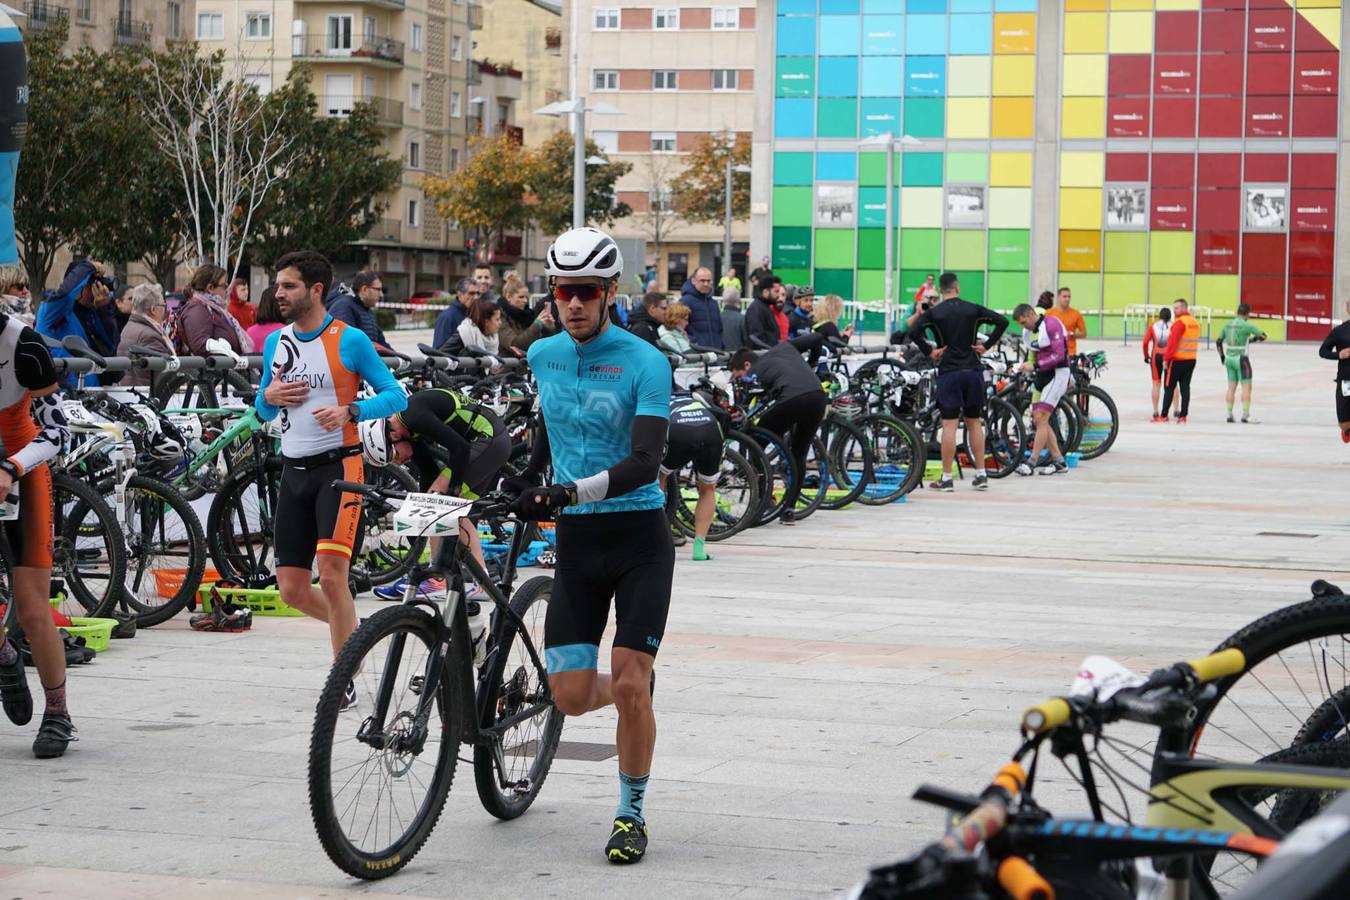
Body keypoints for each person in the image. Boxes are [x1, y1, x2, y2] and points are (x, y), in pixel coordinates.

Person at [507, 227, 671, 865]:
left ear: (608, 294)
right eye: (563, 291)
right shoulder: (543, 354)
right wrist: (529, 474)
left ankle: (630, 811)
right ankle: (636, 686)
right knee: (571, 698)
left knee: (630, 685)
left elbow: (644, 460)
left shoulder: (644, 360)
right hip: (578, 541)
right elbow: (553, 419)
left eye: (587, 292)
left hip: (637, 538)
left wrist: (568, 492)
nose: (573, 303)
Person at [253, 251, 407, 698]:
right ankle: (354, 629)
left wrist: (350, 410)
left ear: (316, 290)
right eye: (278, 285)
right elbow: (261, 409)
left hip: (340, 468)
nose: (278, 294)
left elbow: (396, 396)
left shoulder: (350, 340)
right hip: (293, 470)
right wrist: (270, 394)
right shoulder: (275, 343)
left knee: (333, 576)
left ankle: (343, 676)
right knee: (292, 590)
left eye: (288, 286)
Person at [0, 312, 73, 757]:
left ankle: (58, 712)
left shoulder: (24, 344)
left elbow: (58, 431)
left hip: (22, 468)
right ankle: (6, 659)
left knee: (30, 608)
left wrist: (11, 466)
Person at [362, 386, 511, 602]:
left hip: (488, 439)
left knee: (438, 501)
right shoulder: (408, 429)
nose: (398, 461)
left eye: (393, 455)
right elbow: (428, 473)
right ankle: (483, 584)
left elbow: (460, 449)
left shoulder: (412, 415)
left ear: (394, 435)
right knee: (454, 512)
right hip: (489, 442)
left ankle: (436, 579)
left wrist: (452, 489)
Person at [905, 272, 1009, 491]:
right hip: (972, 370)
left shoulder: (935, 312)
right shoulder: (973, 308)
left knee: (949, 425)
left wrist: (930, 351)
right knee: (974, 422)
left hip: (949, 371)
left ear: (941, 290)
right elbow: (1002, 321)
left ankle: (946, 478)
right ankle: (981, 475)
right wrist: (987, 345)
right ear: (957, 287)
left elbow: (912, 331)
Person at [729, 342, 827, 524]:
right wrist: (811, 365)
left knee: (756, 444)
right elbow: (816, 337)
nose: (742, 380)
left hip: (791, 398)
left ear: (747, 365)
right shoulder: (786, 347)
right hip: (817, 396)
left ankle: (762, 501)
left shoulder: (755, 371)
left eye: (739, 376)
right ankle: (789, 510)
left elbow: (749, 402)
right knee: (799, 454)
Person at [662, 392, 725, 561]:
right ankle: (699, 549)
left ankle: (655, 540)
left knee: (656, 483)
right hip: (710, 427)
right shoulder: (691, 397)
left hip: (678, 429)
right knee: (708, 488)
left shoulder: (655, 397)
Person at [36, 259, 120, 384]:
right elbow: (65, 293)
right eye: (91, 284)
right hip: (63, 394)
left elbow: (112, 344)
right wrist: (90, 266)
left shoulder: (93, 314)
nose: (97, 289)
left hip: (91, 391)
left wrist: (103, 309)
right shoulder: (52, 311)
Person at [1012, 303, 1070, 476]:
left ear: (1031, 313)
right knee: (1040, 420)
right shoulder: (1029, 332)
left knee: (1041, 417)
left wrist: (1035, 365)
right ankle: (1059, 461)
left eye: (1024, 322)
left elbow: (1059, 355)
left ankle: (1031, 463)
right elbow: (1032, 352)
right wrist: (1025, 366)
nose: (1024, 326)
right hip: (1042, 374)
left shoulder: (1052, 324)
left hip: (1057, 373)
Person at [173, 264, 253, 355]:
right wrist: (223, 350)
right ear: (210, 288)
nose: (227, 291)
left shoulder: (215, 309)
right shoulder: (197, 309)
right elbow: (200, 345)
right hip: (214, 368)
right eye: (224, 286)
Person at [115, 283, 173, 387]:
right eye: (163, 305)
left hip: (131, 393)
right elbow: (163, 376)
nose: (165, 309)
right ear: (153, 310)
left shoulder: (130, 326)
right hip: (148, 397)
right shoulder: (149, 335)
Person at [1217, 304, 1267, 423]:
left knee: (1231, 388)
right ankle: (1245, 415)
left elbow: (1218, 341)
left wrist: (1222, 357)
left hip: (1229, 358)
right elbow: (1263, 335)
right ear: (1247, 314)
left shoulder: (1227, 325)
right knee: (1246, 387)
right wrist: (1252, 340)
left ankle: (1229, 414)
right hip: (1241, 359)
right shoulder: (1246, 325)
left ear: (1236, 312)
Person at [327, 270, 389, 350]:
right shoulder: (344, 307)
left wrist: (401, 358)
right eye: (378, 289)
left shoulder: (368, 311)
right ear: (364, 289)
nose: (381, 295)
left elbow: (383, 345)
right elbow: (346, 344)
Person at [1161, 298, 1200, 423]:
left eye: (1176, 308)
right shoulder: (1194, 322)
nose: (1174, 310)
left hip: (1177, 360)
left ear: (1184, 308)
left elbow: (1172, 343)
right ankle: (1183, 416)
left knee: (1169, 387)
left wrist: (1166, 359)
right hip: (1191, 359)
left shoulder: (1179, 323)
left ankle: (1164, 415)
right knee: (1185, 388)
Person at [497, 275, 555, 353]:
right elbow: (514, 344)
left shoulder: (528, 315)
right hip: (509, 363)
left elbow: (541, 344)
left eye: (526, 297)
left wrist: (548, 328)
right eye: (521, 297)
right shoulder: (500, 315)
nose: (525, 301)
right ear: (508, 297)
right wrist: (537, 324)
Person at [1318, 302, 1350, 442]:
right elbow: (1322, 351)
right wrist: (1339, 355)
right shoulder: (1340, 331)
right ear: (1348, 309)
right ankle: (1347, 431)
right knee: (1344, 423)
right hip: (1345, 381)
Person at [679, 267, 722, 349]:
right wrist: (695, 343)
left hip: (716, 355)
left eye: (708, 281)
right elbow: (678, 328)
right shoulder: (685, 302)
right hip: (697, 355)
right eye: (702, 280)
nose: (706, 284)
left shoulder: (713, 303)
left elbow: (719, 329)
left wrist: (721, 345)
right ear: (693, 281)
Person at [432, 277, 480, 349]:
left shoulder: (474, 314)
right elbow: (439, 351)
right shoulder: (447, 317)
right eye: (471, 293)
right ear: (459, 294)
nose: (476, 297)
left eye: (478, 293)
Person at [1142, 306, 1172, 422]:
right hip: (1169, 357)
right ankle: (1176, 409)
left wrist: (1146, 356)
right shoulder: (1173, 326)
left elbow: (1145, 342)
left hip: (1155, 356)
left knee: (1156, 384)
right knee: (1172, 385)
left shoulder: (1153, 326)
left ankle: (1155, 411)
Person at [1046, 286, 1087, 357]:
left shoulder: (1076, 313)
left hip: (1070, 353)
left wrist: (1072, 334)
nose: (1067, 299)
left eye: (1069, 297)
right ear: (1058, 297)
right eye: (1064, 296)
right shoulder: (1049, 313)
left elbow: (1083, 333)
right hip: (1053, 352)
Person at [745, 275, 782, 348]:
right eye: (776, 291)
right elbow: (756, 338)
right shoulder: (756, 309)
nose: (778, 295)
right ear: (765, 292)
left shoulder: (765, 308)